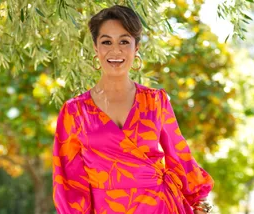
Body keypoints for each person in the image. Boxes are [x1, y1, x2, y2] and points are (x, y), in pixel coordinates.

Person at [53, 5, 214, 214]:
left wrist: (199, 202)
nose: (115, 50)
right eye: (106, 42)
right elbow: (69, 179)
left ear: (136, 48)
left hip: (159, 206)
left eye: (124, 41)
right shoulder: (74, 112)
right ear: (95, 47)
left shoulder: (156, 101)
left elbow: (179, 155)